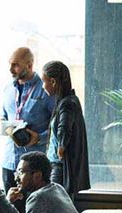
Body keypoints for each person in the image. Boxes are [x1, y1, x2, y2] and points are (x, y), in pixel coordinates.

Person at [0, 47, 56, 193]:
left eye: (15, 65)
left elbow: (57, 126)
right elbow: (2, 115)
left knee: (35, 209)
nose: (11, 69)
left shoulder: (45, 89)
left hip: (33, 168)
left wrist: (39, 138)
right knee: (10, 210)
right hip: (9, 162)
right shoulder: (8, 88)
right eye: (10, 64)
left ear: (29, 65)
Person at [41, 60, 89, 196]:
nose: (43, 86)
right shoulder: (67, 101)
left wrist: (61, 148)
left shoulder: (67, 103)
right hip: (57, 165)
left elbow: (64, 128)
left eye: (44, 81)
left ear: (53, 82)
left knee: (58, 205)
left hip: (59, 167)